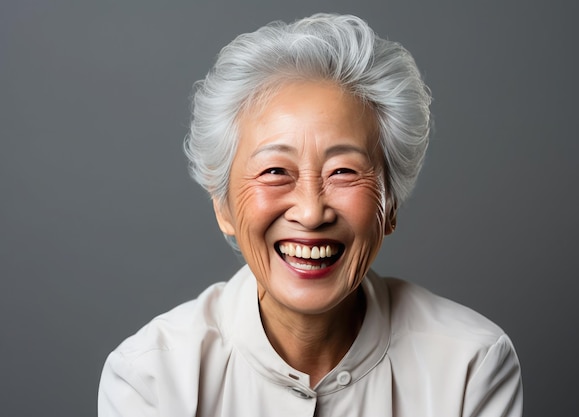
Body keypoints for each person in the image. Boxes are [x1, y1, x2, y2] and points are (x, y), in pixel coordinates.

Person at [98, 13, 522, 417]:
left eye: (343, 172)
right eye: (275, 172)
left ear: (390, 204)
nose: (311, 211)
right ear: (222, 206)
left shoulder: (470, 365)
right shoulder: (152, 378)